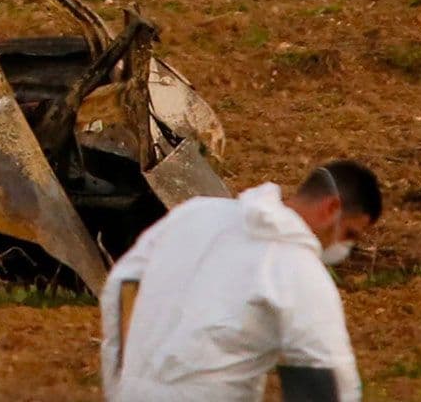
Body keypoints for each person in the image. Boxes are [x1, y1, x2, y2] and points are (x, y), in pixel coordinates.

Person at [99, 160, 383, 402]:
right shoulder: (298, 269)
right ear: (331, 208)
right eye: (349, 234)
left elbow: (122, 284)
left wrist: (121, 382)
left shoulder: (195, 214)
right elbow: (326, 372)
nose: (343, 248)